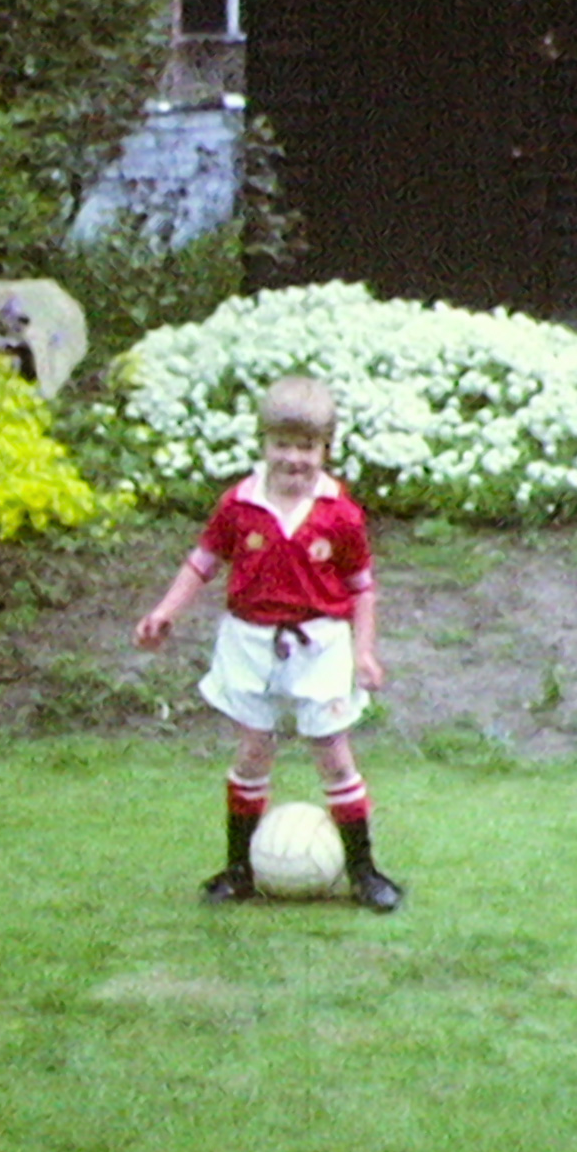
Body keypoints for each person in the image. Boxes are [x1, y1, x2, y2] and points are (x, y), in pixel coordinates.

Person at [134, 376, 405, 911]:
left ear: (325, 448)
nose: (294, 459)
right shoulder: (239, 505)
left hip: (320, 645)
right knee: (254, 749)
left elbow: (362, 590)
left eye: (307, 447)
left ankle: (363, 870)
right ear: (264, 443)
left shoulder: (340, 514)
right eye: (282, 445)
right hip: (249, 641)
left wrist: (364, 650)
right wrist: (165, 611)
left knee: (332, 753)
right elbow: (202, 563)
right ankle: (238, 870)